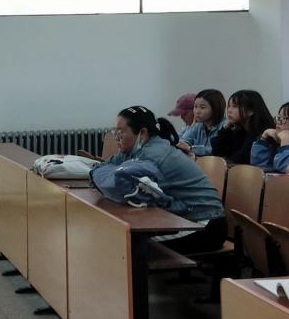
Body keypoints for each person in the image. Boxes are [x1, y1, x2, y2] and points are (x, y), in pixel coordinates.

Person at [94, 106, 225, 252]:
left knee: (130, 246)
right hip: (180, 217)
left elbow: (119, 184)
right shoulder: (132, 150)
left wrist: (108, 176)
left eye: (120, 132)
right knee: (123, 239)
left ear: (142, 133)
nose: (116, 138)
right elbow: (100, 170)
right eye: (115, 132)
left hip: (203, 223)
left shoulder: (152, 155)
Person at [210, 89, 274, 163]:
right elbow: (218, 152)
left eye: (235, 106)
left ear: (250, 111)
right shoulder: (240, 130)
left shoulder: (260, 133)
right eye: (229, 106)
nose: (229, 110)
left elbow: (240, 159)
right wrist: (225, 129)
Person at [176, 88, 226, 156]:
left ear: (215, 108)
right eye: (195, 106)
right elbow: (184, 142)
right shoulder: (198, 125)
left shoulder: (225, 126)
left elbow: (214, 150)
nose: (197, 111)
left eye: (202, 107)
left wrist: (190, 148)